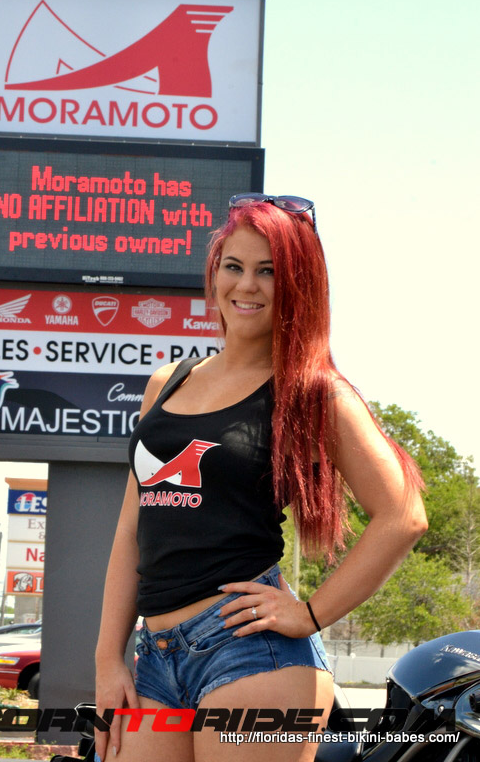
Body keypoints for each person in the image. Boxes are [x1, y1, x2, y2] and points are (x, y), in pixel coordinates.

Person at [94, 193, 428, 762]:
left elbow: (404, 515)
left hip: (251, 653)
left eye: (268, 272)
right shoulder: (166, 383)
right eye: (235, 266)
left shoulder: (313, 391)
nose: (246, 286)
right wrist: (108, 660)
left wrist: (309, 614)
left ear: (298, 285)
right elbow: (132, 531)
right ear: (215, 272)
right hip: (156, 658)